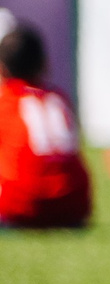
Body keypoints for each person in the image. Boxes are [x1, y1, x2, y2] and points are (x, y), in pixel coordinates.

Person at [0, 27, 92, 229]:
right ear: (43, 63)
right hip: (73, 208)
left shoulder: (6, 100)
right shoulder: (59, 98)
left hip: (20, 209)